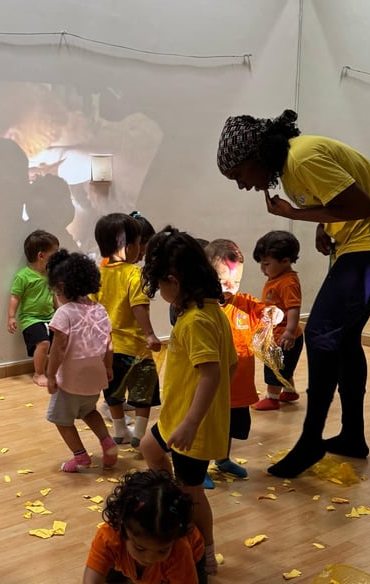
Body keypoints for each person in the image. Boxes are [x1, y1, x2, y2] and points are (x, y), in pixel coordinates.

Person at [217, 109, 370, 478]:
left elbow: (363, 206)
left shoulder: (301, 158)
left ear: (256, 156)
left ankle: (311, 441)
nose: (241, 185)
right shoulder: (293, 165)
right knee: (343, 339)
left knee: (322, 333)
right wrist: (323, 225)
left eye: (239, 175)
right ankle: (353, 436)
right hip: (364, 243)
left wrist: (296, 213)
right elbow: (337, 200)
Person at [139, 227, 237, 575]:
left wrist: (193, 422)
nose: (160, 293)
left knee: (193, 492)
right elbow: (230, 366)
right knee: (149, 448)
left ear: (172, 280)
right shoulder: (209, 312)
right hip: (177, 416)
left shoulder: (196, 320)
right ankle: (172, 508)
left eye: (160, 286)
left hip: (191, 426)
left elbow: (211, 374)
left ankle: (205, 549)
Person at [44, 249, 118, 472]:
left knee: (60, 419)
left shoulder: (65, 313)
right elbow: (109, 343)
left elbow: (58, 348)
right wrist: (107, 366)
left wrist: (50, 375)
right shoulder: (99, 309)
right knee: (88, 410)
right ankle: (108, 443)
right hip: (95, 377)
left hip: (71, 380)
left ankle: (80, 457)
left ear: (60, 287)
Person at [93, 213, 162, 448]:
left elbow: (91, 309)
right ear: (131, 246)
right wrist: (150, 334)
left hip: (106, 348)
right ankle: (140, 434)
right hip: (135, 347)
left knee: (112, 390)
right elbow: (138, 306)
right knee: (143, 390)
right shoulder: (134, 274)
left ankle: (120, 431)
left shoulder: (97, 275)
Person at [201, 238, 261, 488]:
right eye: (222, 280)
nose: (230, 287)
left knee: (228, 427)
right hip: (214, 385)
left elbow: (265, 313)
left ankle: (223, 459)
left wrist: (274, 315)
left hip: (239, 385)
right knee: (208, 426)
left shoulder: (244, 303)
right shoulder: (205, 309)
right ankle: (199, 465)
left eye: (236, 281)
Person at [83, 469, 205, 584]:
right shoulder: (108, 537)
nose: (150, 558)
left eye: (162, 550)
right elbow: (91, 580)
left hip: (191, 559)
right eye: (140, 548)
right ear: (121, 527)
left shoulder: (180, 550)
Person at [246, 230, 304, 410]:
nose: (263, 269)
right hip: (277, 335)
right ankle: (289, 390)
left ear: (285, 261)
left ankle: (272, 398)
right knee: (284, 367)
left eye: (266, 264)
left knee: (275, 368)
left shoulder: (287, 282)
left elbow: (294, 307)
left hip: (284, 337)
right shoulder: (276, 277)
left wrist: (289, 331)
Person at [7, 230, 60, 386]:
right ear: (41, 256)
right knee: (43, 343)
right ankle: (39, 373)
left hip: (50, 317)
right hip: (31, 319)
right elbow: (15, 297)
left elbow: (54, 295)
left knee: (59, 342)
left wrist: (59, 312)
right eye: (54, 254)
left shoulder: (51, 275)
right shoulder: (23, 276)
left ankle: (55, 371)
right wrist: (11, 317)